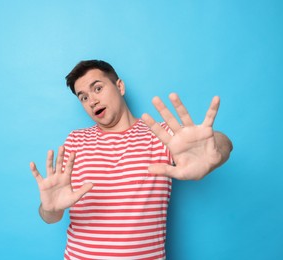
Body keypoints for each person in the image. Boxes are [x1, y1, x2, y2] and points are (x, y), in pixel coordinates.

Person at [30, 60, 233, 259]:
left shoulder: (161, 134)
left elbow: (223, 143)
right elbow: (50, 216)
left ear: (120, 86)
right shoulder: (75, 140)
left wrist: (212, 151)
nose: (92, 101)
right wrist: (50, 209)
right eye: (83, 97)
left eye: (98, 88)